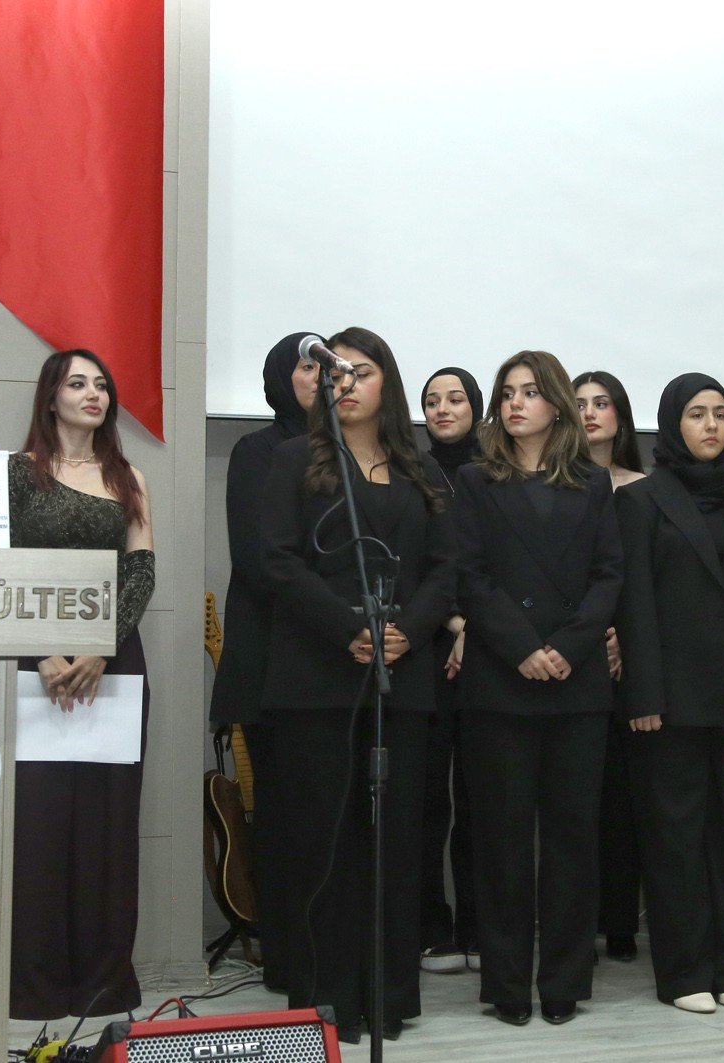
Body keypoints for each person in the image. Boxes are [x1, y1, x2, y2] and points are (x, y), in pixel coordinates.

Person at [257, 327, 456, 1043]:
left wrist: (410, 629)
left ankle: (387, 996)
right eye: (333, 373)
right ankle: (327, 1000)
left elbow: (446, 567)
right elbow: (277, 560)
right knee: (325, 844)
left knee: (395, 844)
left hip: (400, 678)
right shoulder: (292, 460)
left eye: (361, 371)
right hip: (318, 677)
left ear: (386, 385)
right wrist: (348, 628)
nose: (344, 383)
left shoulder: (422, 471)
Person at [615, 373, 724, 1014]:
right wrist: (642, 695)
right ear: (673, 424)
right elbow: (634, 604)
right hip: (669, 700)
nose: (711, 425)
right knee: (676, 840)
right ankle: (685, 973)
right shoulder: (640, 500)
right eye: (697, 414)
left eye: (720, 413)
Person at [454, 351, 623, 1026]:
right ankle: (506, 984)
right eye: (506, 393)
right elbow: (469, 574)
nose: (514, 403)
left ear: (556, 404)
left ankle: (564, 981)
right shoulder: (475, 479)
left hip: (576, 685)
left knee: (572, 840)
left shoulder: (593, 482)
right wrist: (523, 647)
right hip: (501, 681)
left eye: (528, 392)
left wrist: (566, 647)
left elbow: (609, 576)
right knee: (501, 841)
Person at [8, 349, 156, 1018]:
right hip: (30, 665)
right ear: (51, 397)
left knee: (106, 827)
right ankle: (34, 986)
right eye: (77, 383)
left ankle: (102, 983)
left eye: (101, 384)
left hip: (113, 663)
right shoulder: (14, 474)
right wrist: (42, 651)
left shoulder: (128, 477)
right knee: (37, 827)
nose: (93, 393)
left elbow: (140, 572)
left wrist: (100, 646)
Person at [209, 333, 322, 992]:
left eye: (327, 366)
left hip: (338, 662)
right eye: (307, 365)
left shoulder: (354, 451)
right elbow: (257, 558)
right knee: (280, 817)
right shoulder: (257, 450)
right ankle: (287, 959)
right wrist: (336, 610)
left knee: (328, 817)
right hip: (274, 659)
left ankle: (331, 952)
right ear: (282, 376)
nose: (320, 376)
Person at [574, 369, 648, 963]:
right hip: (573, 650)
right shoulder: (556, 484)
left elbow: (653, 581)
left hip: (637, 656)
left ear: (620, 416)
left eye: (602, 403)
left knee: (625, 800)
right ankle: (577, 919)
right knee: (578, 798)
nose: (590, 413)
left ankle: (621, 920)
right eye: (579, 403)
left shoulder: (648, 491)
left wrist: (627, 636)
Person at [417, 366, 484, 974]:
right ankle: (431, 927)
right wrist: (455, 623)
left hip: (491, 650)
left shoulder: (498, 473)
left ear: (476, 407)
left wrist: (477, 628)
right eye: (432, 401)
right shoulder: (410, 472)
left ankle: (480, 928)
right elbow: (415, 566)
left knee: (483, 796)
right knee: (426, 798)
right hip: (428, 649)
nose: (443, 409)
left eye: (455, 399)